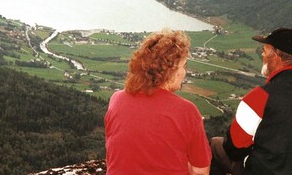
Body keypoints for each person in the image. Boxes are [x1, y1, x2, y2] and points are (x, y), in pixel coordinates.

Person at [105, 29, 211, 175]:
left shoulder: (116, 100)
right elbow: (200, 171)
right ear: (170, 71)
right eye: (183, 66)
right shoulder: (187, 111)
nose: (185, 72)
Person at [210, 27, 292, 175]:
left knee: (216, 145)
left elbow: (234, 149)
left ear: (276, 57)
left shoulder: (260, 96)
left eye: (265, 51)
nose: (262, 55)